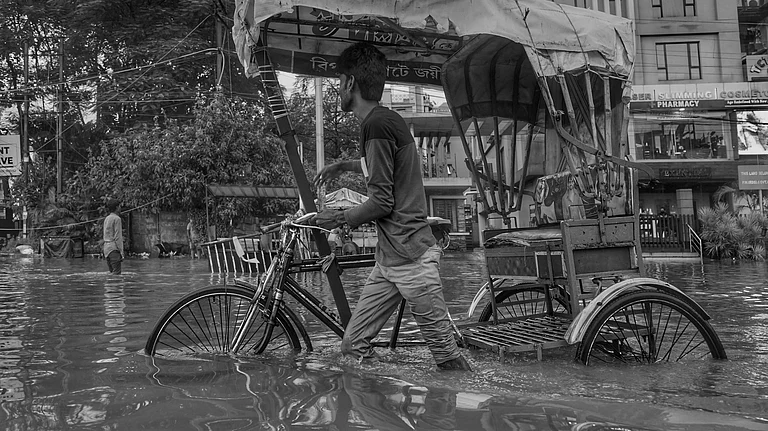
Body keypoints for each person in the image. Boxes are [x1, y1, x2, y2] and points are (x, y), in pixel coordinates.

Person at [312, 42, 470, 371]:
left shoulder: (377, 125)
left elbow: (382, 201)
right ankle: (385, 408)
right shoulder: (386, 121)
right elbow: (381, 168)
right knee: (353, 346)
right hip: (390, 260)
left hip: (412, 259)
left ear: (350, 83)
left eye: (340, 80)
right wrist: (343, 166)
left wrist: (337, 219)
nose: (339, 87)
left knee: (449, 359)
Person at [103, 199, 124, 274]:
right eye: (119, 206)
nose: (120, 208)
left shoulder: (107, 218)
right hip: (114, 248)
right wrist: (121, 252)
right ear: (117, 207)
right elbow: (118, 237)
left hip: (106, 249)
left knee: (112, 273)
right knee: (117, 274)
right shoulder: (117, 219)